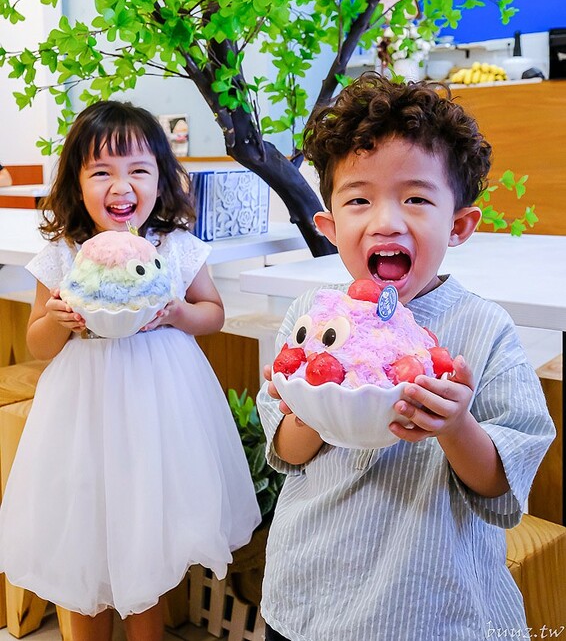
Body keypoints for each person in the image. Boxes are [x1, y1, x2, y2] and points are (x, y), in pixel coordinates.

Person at [257, 73, 555, 641]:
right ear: (329, 226)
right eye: (359, 199)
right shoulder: (309, 318)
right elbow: (289, 454)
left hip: (430, 603)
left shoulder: (482, 330)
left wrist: (455, 424)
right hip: (310, 593)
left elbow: (502, 483)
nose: (386, 220)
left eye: (416, 198)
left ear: (460, 223)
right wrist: (309, 408)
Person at [0, 100, 260, 641]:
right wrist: (59, 318)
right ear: (77, 181)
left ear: (161, 180)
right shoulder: (64, 253)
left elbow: (212, 314)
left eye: (139, 170)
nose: (122, 186)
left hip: (158, 404)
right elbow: (38, 342)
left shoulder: (177, 247)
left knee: (149, 537)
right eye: (102, 172)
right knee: (86, 538)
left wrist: (178, 312)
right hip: (82, 408)